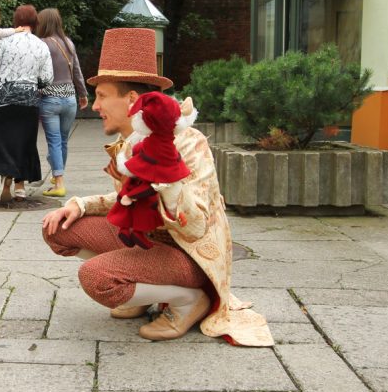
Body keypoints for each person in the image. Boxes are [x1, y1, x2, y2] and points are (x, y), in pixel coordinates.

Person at [40, 28, 273, 347]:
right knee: (57, 229)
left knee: (95, 277)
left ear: (132, 100)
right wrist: (79, 205)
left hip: (188, 255)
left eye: (103, 95)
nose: (95, 106)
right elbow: (125, 202)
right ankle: (142, 289)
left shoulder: (187, 143)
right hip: (147, 243)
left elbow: (195, 227)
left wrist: (169, 185)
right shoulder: (128, 144)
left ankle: (188, 300)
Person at [0, 5, 53, 201]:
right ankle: (20, 187)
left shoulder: (4, 42)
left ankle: (6, 175)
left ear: (16, 21)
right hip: (28, 101)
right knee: (24, 142)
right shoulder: (41, 45)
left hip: (1, 101)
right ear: (35, 22)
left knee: (2, 141)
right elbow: (47, 78)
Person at [35, 8, 88, 198]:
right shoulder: (69, 43)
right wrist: (82, 94)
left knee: (54, 142)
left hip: (50, 99)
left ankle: (59, 183)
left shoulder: (41, 45)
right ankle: (59, 173)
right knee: (62, 140)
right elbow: (77, 72)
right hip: (69, 99)